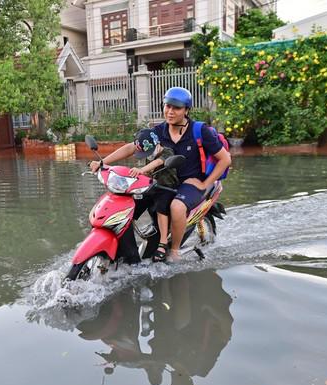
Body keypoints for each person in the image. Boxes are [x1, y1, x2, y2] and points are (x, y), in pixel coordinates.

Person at [152, 87, 231, 261]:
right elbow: (133, 147)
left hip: (192, 182)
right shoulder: (159, 131)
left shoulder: (200, 131)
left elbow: (225, 160)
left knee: (177, 207)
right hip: (168, 181)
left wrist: (205, 183)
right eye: (167, 106)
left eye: (177, 108)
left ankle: (174, 251)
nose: (170, 111)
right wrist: (104, 163)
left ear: (186, 110)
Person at [89, 128, 179, 262]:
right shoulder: (146, 149)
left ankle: (163, 243)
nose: (147, 156)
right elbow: (129, 153)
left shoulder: (167, 151)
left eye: (147, 153)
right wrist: (103, 165)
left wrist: (142, 170)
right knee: (130, 206)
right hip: (150, 186)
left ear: (156, 144)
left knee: (161, 207)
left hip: (166, 187)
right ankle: (126, 242)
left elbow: (158, 162)